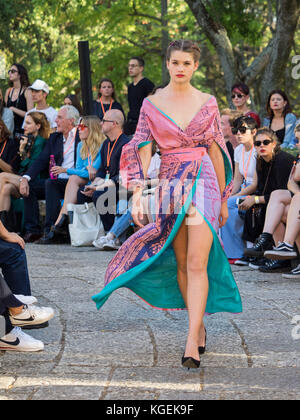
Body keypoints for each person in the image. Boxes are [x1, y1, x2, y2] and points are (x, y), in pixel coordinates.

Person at [91, 40, 242, 370]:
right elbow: (140, 149)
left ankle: (191, 342)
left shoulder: (208, 102)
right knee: (183, 261)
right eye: (175, 62)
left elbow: (216, 150)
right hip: (171, 182)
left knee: (198, 261)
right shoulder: (151, 104)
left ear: (195, 66)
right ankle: (196, 323)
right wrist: (135, 194)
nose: (180, 68)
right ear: (168, 64)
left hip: (203, 179)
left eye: (187, 63)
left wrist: (225, 198)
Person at [19, 105, 80, 243]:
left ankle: (50, 231)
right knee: (31, 186)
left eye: (59, 118)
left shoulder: (80, 137)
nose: (55, 121)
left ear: (71, 121)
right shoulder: (55, 138)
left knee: (50, 183)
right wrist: (25, 178)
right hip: (57, 181)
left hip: (75, 181)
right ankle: (32, 230)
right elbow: (41, 160)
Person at [240, 128, 295, 271]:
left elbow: (284, 191)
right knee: (267, 208)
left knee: (272, 204)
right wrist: (254, 199)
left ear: (274, 144)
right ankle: (275, 255)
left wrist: (256, 199)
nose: (261, 146)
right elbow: (261, 187)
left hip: (292, 198)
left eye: (266, 142)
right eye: (258, 143)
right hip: (279, 201)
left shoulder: (283, 160)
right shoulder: (260, 160)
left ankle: (266, 244)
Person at [46, 116, 104, 242]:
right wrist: (87, 168)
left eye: (83, 127)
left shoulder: (102, 145)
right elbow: (82, 171)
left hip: (97, 181)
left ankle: (58, 224)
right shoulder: (80, 146)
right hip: (82, 179)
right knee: (69, 179)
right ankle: (60, 222)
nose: (79, 129)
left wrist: (66, 170)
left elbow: (93, 173)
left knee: (72, 177)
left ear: (92, 129)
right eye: (78, 126)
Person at [79, 109, 130, 233]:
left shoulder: (126, 144)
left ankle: (112, 233)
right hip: (108, 183)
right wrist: (93, 185)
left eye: (104, 121)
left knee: (100, 194)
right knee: (81, 193)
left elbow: (123, 175)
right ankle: (89, 233)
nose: (101, 123)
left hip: (123, 186)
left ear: (114, 124)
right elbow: (102, 171)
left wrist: (98, 187)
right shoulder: (106, 144)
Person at [0, 112, 50, 231]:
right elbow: (20, 167)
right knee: (6, 188)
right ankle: (6, 227)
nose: (24, 126)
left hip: (37, 181)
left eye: (28, 123)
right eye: (24, 122)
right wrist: (22, 150)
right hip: (23, 180)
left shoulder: (41, 142)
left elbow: (33, 167)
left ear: (38, 126)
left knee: (2, 176)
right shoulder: (27, 141)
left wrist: (22, 153)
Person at [220, 116, 258, 261]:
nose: (239, 134)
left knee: (229, 204)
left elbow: (254, 184)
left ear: (254, 132)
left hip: (254, 190)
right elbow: (237, 179)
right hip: (243, 188)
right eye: (236, 131)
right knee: (223, 202)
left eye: (243, 130)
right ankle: (232, 252)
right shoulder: (238, 150)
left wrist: (234, 198)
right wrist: (228, 194)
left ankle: (238, 253)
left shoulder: (257, 150)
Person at [124, 57, 155, 136]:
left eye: (133, 66)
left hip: (143, 125)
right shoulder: (130, 87)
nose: (130, 68)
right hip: (130, 124)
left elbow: (151, 107)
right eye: (129, 66)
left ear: (141, 68)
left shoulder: (148, 84)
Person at [4, 64, 33, 134]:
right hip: (8, 131)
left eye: (13, 71)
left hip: (22, 131)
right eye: (9, 71)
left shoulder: (27, 91)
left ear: (20, 74)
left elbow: (31, 114)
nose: (10, 73)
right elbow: (4, 112)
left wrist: (13, 109)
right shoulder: (8, 91)